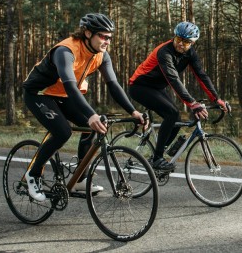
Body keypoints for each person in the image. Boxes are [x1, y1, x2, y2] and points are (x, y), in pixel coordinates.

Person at [23, 13, 145, 202]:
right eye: (103, 36)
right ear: (88, 33)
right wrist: (90, 114)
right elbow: (71, 86)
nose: (107, 41)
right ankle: (33, 174)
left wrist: (133, 111)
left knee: (92, 128)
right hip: (39, 94)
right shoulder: (66, 50)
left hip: (63, 95)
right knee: (62, 132)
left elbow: (113, 84)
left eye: (110, 37)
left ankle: (79, 179)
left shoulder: (101, 55)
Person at [129, 21, 229, 172]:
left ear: (193, 43)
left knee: (176, 120)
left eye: (187, 42)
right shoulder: (164, 51)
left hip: (156, 88)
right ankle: (157, 159)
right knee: (172, 113)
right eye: (178, 39)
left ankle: (158, 154)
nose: (181, 44)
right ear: (174, 37)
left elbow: (201, 76)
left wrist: (216, 99)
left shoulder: (190, 54)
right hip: (139, 86)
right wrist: (192, 103)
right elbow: (173, 79)